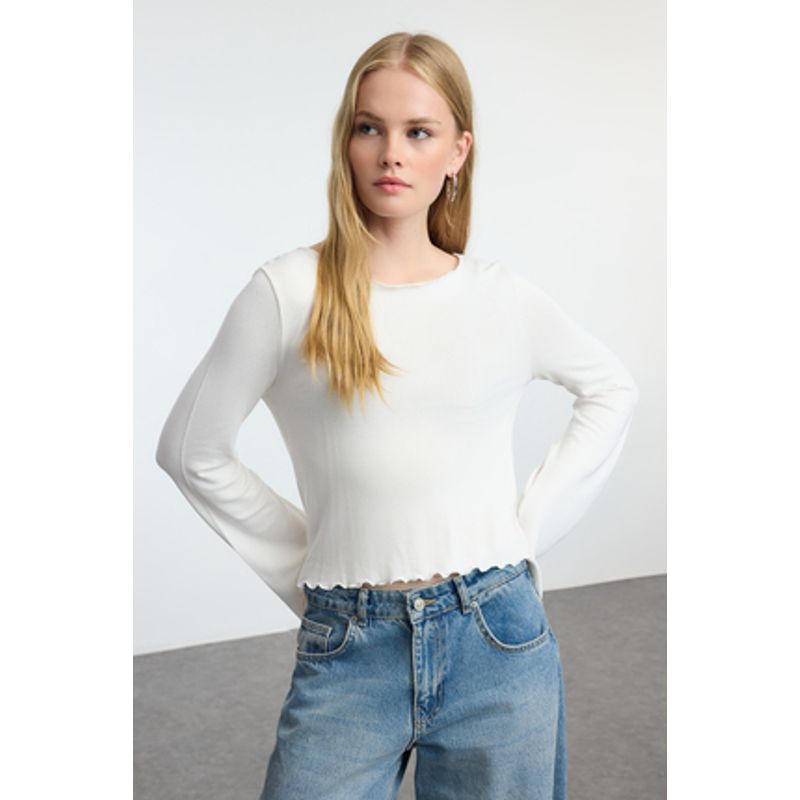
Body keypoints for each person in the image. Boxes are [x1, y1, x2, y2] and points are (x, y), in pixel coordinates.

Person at [155, 31, 638, 800]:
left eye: (418, 132)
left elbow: (610, 389)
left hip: (497, 640)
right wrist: (308, 568)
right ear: (345, 142)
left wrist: (527, 530)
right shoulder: (289, 292)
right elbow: (190, 450)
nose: (391, 154)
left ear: (457, 152)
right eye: (369, 127)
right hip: (349, 648)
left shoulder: (499, 298)